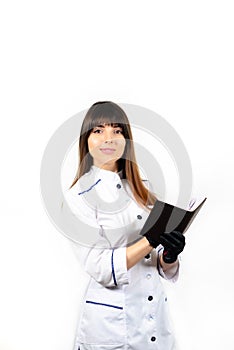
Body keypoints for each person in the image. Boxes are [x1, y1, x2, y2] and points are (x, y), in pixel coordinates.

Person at [64, 101, 186, 350]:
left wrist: (169, 255)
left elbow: (153, 261)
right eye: (98, 131)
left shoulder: (142, 187)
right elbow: (100, 268)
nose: (109, 138)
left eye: (117, 130)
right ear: (86, 140)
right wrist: (150, 239)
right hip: (111, 326)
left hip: (153, 317)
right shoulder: (78, 196)